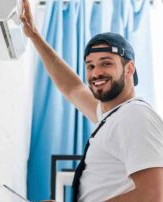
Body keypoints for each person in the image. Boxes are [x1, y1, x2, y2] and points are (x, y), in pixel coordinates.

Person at [20, 0, 163, 201]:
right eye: (90, 66)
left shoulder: (134, 116)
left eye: (106, 64)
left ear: (129, 69)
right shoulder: (112, 116)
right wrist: (35, 36)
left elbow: (153, 195)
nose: (96, 73)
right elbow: (72, 87)